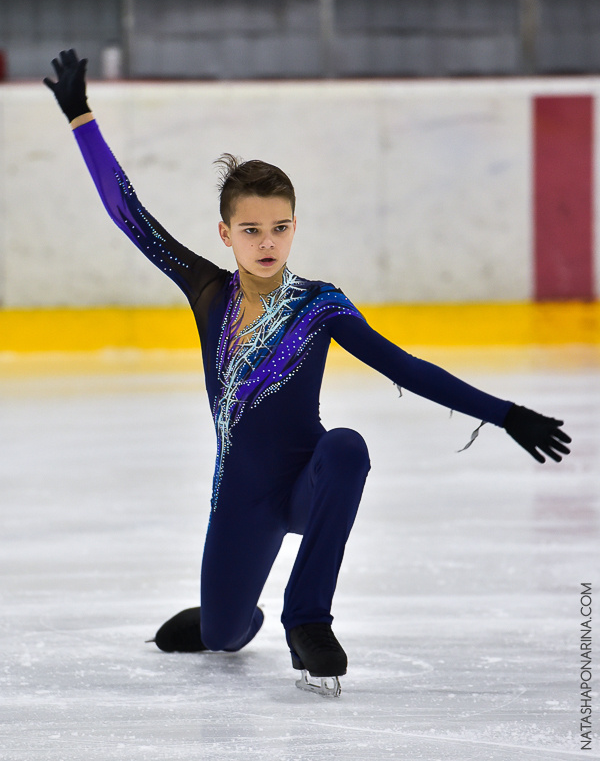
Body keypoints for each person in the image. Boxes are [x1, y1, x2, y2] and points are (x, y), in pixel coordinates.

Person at [44, 50, 571, 697]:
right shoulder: (208, 292)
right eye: (251, 229)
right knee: (223, 636)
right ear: (226, 234)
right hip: (240, 500)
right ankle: (226, 618)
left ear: (295, 227)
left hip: (306, 482)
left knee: (347, 447)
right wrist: (80, 116)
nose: (267, 241)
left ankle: (307, 619)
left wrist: (508, 414)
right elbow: (130, 216)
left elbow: (404, 366)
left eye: (280, 227)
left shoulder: (320, 305)